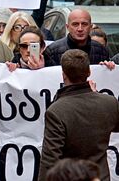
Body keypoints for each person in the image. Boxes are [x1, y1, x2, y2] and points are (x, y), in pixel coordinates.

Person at [38, 49, 119, 181]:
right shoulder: (109, 103)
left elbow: (49, 160)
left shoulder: (56, 111)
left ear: (63, 75)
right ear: (89, 72)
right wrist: (96, 97)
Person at [44, 9, 111, 66]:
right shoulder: (52, 52)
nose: (80, 29)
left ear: (90, 27)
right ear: (67, 27)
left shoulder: (101, 51)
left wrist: (108, 68)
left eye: (84, 24)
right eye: (75, 24)